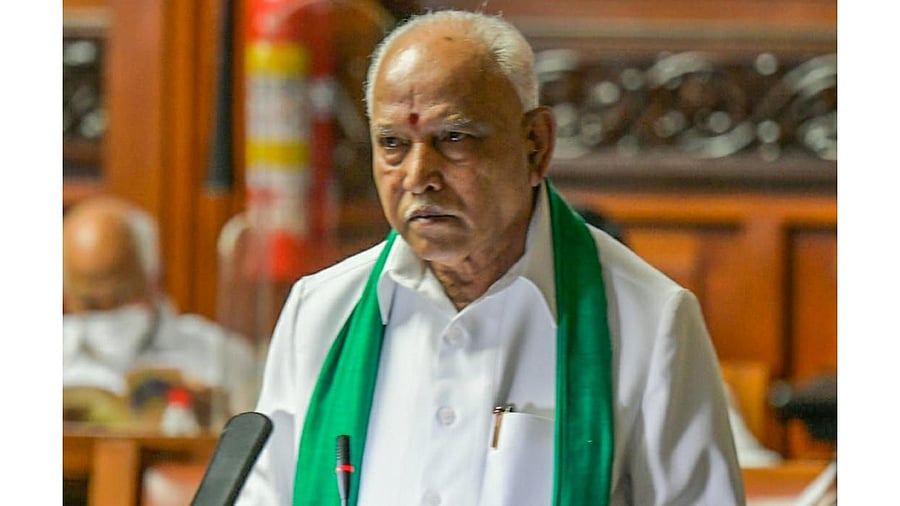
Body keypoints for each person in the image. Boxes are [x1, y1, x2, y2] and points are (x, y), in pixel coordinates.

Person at [238, 10, 744, 505]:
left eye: (454, 138)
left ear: (536, 145)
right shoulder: (322, 313)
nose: (418, 175)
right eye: (392, 143)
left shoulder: (649, 322)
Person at [62, 196, 255, 418]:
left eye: (121, 296)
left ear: (153, 279)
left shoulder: (221, 358)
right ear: (67, 296)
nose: (108, 309)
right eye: (91, 303)